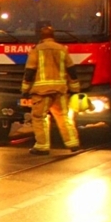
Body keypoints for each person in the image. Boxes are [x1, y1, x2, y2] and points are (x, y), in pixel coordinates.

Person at [21, 23, 81, 155]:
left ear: (41, 37)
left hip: (41, 92)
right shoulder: (62, 49)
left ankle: (42, 146)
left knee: (39, 117)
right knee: (63, 116)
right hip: (60, 90)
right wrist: (75, 89)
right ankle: (73, 143)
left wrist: (25, 90)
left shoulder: (37, 50)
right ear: (53, 36)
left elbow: (30, 71)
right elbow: (71, 70)